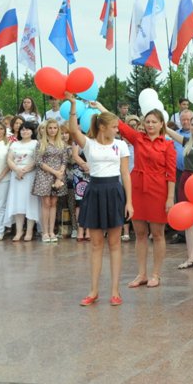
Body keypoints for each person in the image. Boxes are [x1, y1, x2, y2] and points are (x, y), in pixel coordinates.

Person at [64, 94, 133, 306]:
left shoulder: (120, 145)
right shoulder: (90, 144)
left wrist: (129, 201)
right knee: (96, 244)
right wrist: (74, 105)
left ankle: (115, 291)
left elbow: (125, 173)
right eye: (113, 127)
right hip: (94, 190)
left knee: (114, 243)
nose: (117, 130)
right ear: (103, 127)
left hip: (114, 191)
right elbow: (74, 130)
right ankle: (93, 291)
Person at [114, 105, 175, 289]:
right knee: (140, 234)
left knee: (157, 234)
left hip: (158, 189)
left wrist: (170, 198)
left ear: (161, 124)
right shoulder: (138, 139)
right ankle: (141, 274)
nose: (150, 125)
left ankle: (156, 274)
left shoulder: (168, 145)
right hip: (137, 187)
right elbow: (119, 125)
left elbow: (171, 174)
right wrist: (98, 106)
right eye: (147, 122)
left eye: (154, 122)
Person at [167, 112, 193, 270]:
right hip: (186, 180)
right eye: (192, 124)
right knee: (188, 220)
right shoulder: (187, 141)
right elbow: (167, 131)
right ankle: (190, 257)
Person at [32, 120, 70, 243]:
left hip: (58, 176)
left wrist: (59, 175)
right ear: (46, 129)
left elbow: (64, 161)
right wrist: (54, 172)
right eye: (50, 128)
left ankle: (52, 231)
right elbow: (38, 161)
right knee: (46, 203)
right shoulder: (40, 143)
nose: (52, 130)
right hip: (44, 175)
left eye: (55, 128)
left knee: (54, 203)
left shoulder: (62, 144)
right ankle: (45, 232)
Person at [5, 121, 40, 241]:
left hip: (29, 175)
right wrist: (17, 170)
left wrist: (24, 171)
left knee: (30, 203)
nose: (24, 131)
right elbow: (9, 159)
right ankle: (19, 231)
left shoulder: (36, 143)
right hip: (16, 176)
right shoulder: (14, 144)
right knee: (18, 203)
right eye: (22, 129)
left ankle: (29, 231)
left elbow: (36, 160)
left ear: (32, 131)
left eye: (27, 129)